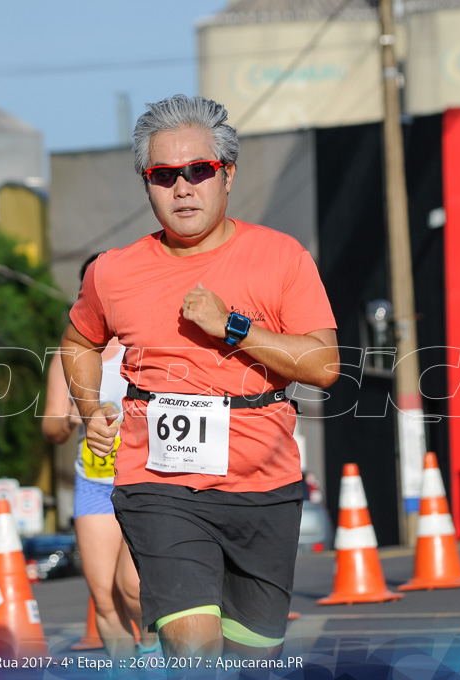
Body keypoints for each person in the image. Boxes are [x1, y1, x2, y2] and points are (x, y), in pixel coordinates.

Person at [60, 94, 339, 661]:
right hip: (159, 483)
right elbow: (78, 342)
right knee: (194, 654)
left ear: (226, 174)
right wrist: (93, 414)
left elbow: (323, 366)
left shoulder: (282, 258)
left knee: (250, 661)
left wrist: (232, 326)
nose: (182, 187)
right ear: (147, 182)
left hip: (265, 486)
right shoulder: (113, 271)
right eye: (165, 175)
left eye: (198, 170)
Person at [42, 254, 158, 660]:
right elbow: (52, 428)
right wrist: (73, 417)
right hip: (94, 482)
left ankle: (154, 652)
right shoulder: (69, 352)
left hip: (143, 479)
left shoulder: (142, 342)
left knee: (133, 587)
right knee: (105, 599)